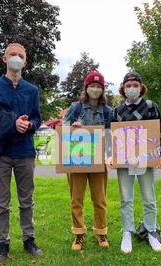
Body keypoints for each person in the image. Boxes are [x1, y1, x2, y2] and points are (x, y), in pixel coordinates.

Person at [0, 43, 43, 266]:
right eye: (12, 54)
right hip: (1, 153)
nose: (16, 58)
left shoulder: (32, 90)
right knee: (1, 203)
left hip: (25, 152)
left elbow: (37, 117)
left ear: (25, 61)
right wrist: (11, 121)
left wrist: (31, 126)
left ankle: (29, 239)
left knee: (27, 200)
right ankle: (2, 244)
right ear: (4, 59)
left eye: (21, 55)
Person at [108, 71, 161, 254]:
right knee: (126, 197)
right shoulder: (117, 111)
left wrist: (159, 154)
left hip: (145, 159)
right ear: (123, 89)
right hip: (124, 160)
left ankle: (151, 230)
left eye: (135, 85)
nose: (132, 88)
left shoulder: (150, 106)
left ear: (141, 87)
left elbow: (159, 132)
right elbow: (112, 136)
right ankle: (127, 230)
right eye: (128, 85)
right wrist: (111, 155)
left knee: (149, 197)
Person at [63, 71, 112, 251]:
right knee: (77, 198)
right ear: (86, 88)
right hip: (77, 158)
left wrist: (109, 155)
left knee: (100, 199)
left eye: (99, 87)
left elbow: (110, 135)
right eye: (92, 86)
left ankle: (101, 232)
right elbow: (63, 128)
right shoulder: (75, 108)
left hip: (98, 161)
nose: (95, 89)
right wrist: (73, 126)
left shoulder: (107, 112)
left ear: (102, 90)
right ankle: (78, 233)